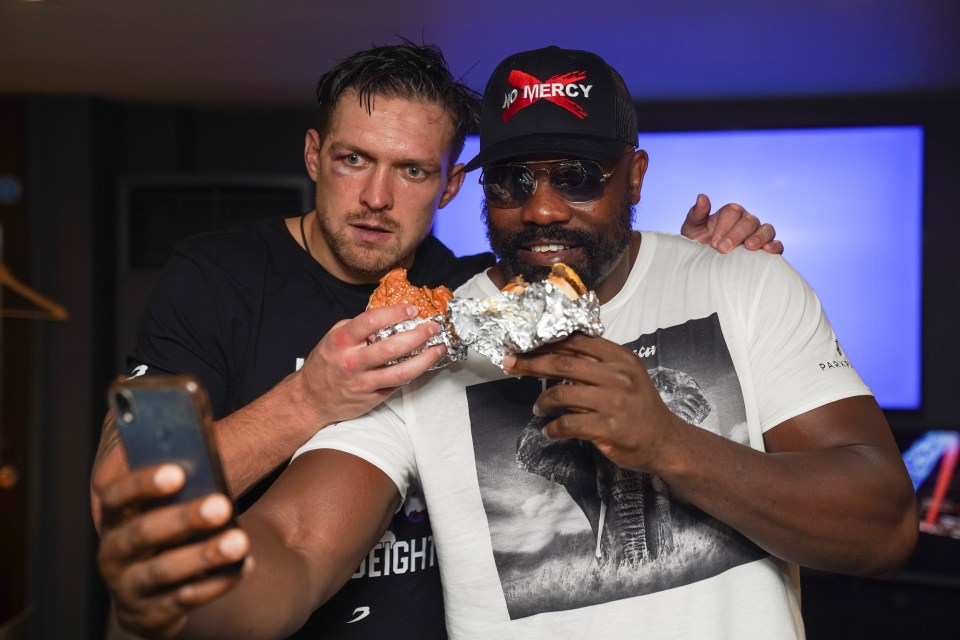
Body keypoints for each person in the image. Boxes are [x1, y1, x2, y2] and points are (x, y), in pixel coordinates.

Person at [92, 44, 789, 639]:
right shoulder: (213, 277)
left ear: (453, 184)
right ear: (313, 154)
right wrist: (309, 399)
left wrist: (690, 268)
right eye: (353, 160)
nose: (375, 196)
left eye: (413, 170)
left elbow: (592, 288)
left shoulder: (466, 296)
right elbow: (123, 492)